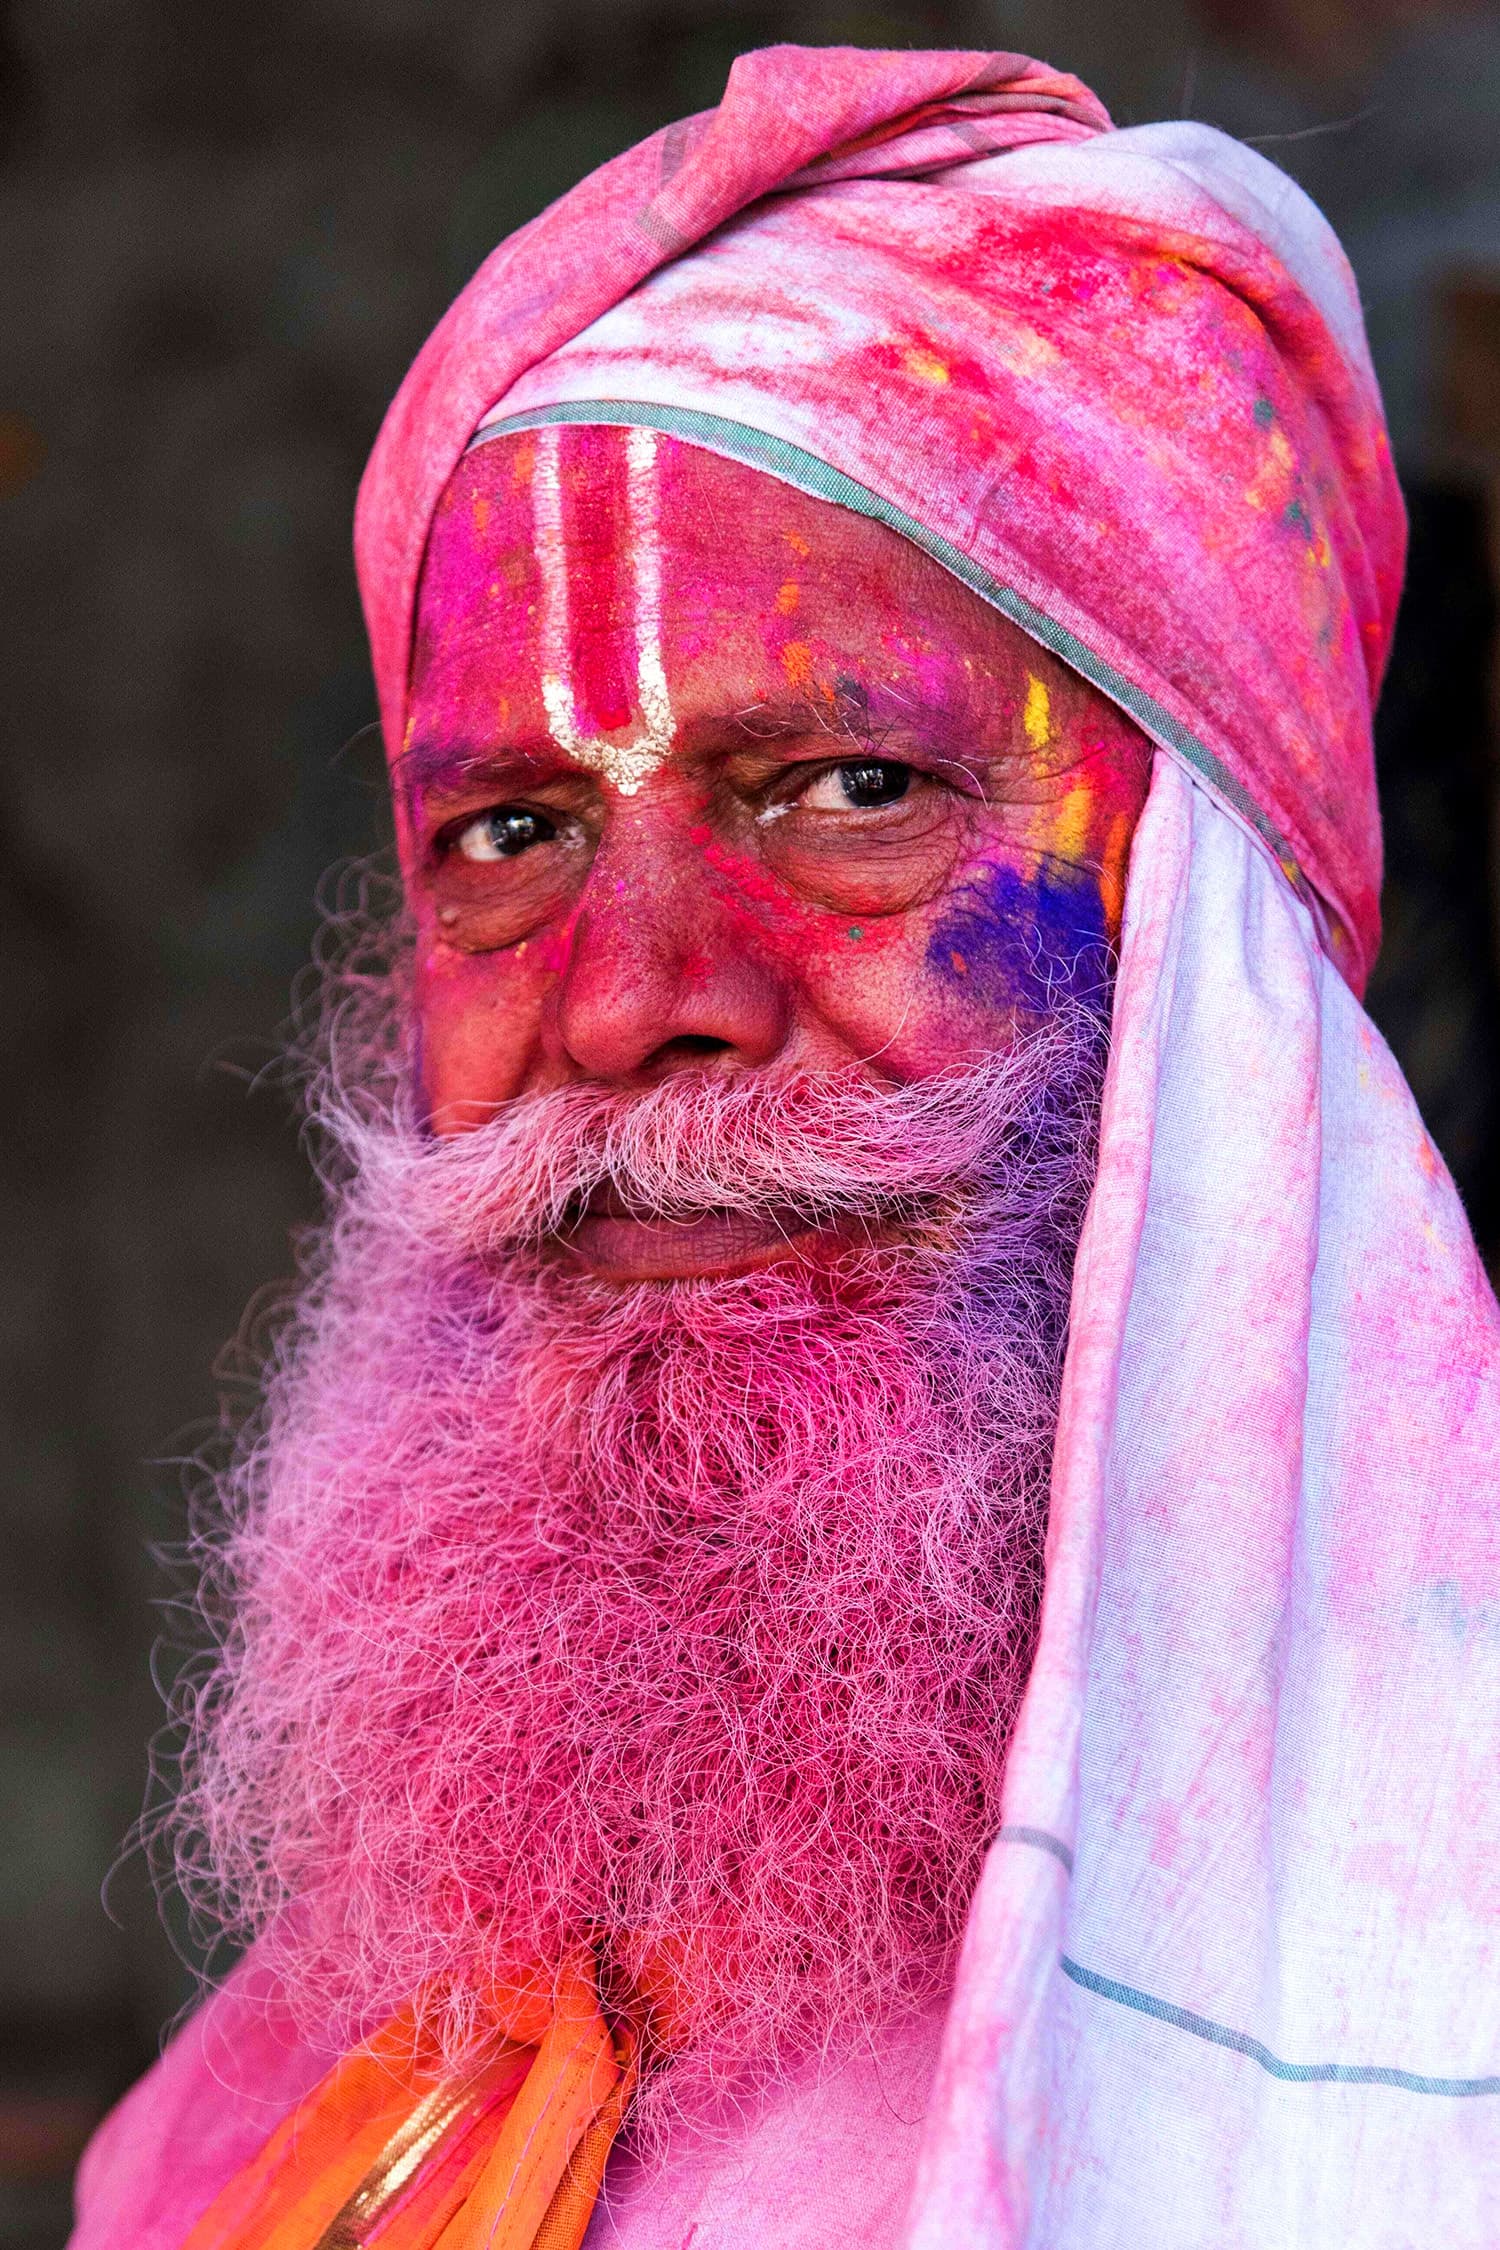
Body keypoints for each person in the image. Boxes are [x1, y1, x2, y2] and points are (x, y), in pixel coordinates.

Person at [70, 44, 1499, 2250]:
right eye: (517, 832)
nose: (636, 997)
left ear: (1204, 943)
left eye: (845, 793)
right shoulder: (269, 2127)